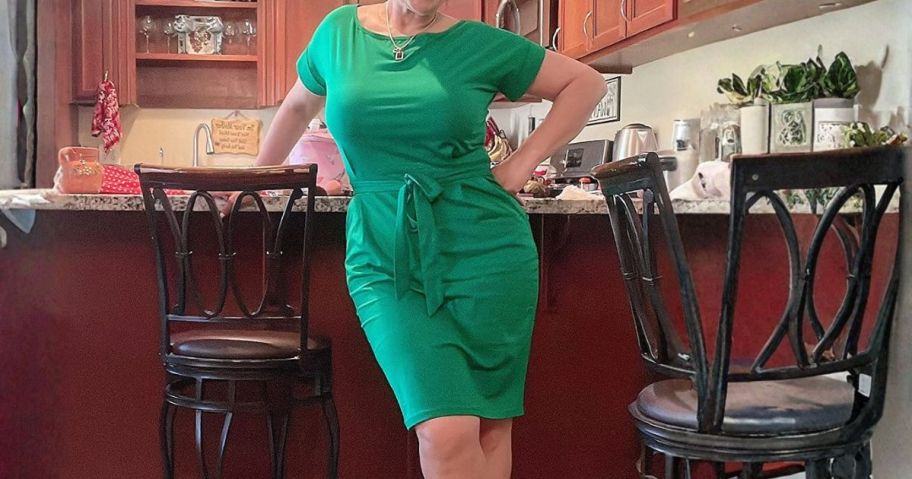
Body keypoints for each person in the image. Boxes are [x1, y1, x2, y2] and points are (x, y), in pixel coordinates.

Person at [235, 1, 606, 477]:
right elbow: (297, 105)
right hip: (384, 253)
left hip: (488, 252)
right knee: (445, 429)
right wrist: (253, 181)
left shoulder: (479, 42)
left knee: (491, 425)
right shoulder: (338, 32)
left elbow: (586, 83)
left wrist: (519, 165)